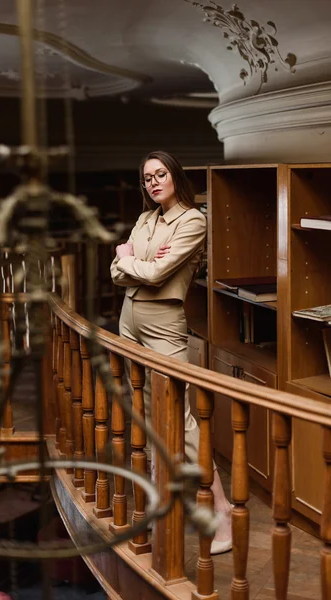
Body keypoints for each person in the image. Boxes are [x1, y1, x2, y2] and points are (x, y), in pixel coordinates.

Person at [110, 150, 232, 554]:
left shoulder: (194, 220)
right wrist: (134, 262)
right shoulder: (147, 219)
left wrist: (132, 259)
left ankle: (223, 510)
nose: (154, 183)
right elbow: (115, 272)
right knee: (145, 414)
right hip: (129, 319)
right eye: (147, 178)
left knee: (181, 418)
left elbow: (157, 273)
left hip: (163, 323)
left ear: (175, 176)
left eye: (160, 174)